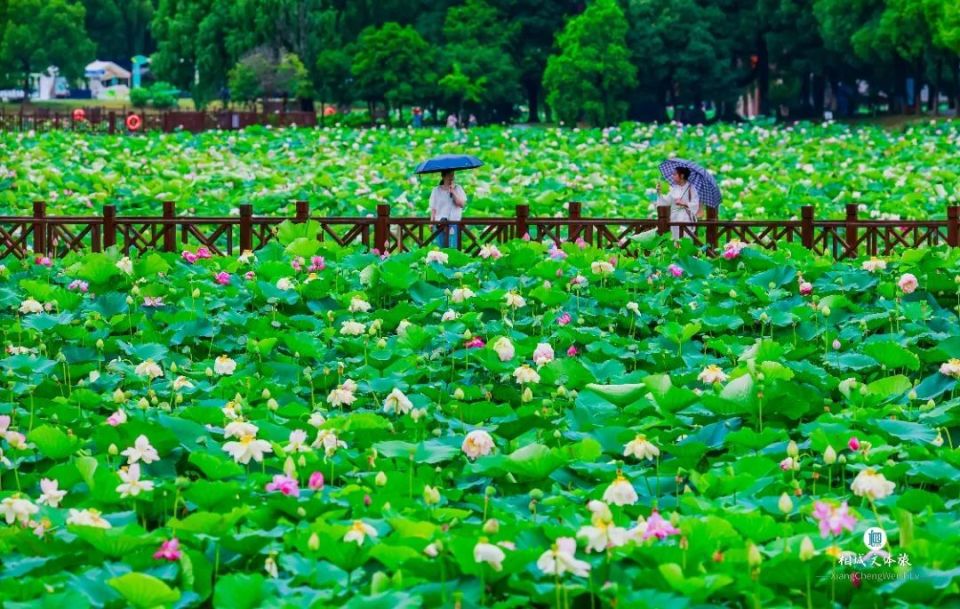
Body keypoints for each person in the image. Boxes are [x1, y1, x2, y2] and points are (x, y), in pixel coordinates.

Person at [657, 167, 699, 241]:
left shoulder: (691, 188)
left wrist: (685, 203)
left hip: (686, 218)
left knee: (685, 239)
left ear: (682, 175)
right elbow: (666, 202)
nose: (673, 176)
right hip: (674, 217)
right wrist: (659, 193)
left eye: (675, 174)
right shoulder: (674, 188)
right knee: (675, 239)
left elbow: (696, 204)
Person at [429, 170, 467, 248]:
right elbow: (433, 209)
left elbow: (462, 204)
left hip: (454, 223)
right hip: (439, 224)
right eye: (449, 175)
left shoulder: (458, 188)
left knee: (453, 248)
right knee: (439, 249)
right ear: (443, 177)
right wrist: (431, 222)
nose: (451, 178)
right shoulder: (436, 190)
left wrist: (453, 191)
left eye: (452, 175)